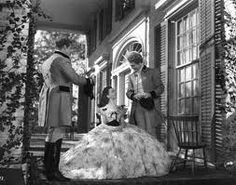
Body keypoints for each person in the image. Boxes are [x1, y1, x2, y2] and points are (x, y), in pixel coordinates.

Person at [59, 86, 170, 180]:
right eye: (112, 91)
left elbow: (122, 123)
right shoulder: (103, 109)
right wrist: (113, 129)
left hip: (121, 129)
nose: (115, 92)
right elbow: (103, 124)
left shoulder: (118, 108)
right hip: (107, 130)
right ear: (107, 96)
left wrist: (121, 123)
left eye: (114, 91)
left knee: (139, 140)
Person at [38, 37, 93, 181]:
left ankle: (48, 169)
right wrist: (88, 81)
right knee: (58, 131)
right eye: (69, 48)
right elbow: (74, 78)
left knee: (52, 132)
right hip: (60, 98)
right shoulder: (61, 60)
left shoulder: (47, 61)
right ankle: (53, 172)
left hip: (50, 97)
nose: (70, 51)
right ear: (65, 46)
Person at [126, 51, 164, 138]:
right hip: (138, 105)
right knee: (140, 132)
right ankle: (144, 151)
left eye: (133, 65)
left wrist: (150, 94)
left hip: (150, 105)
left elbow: (161, 88)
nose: (131, 67)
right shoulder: (131, 76)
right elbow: (128, 92)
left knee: (151, 132)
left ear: (140, 63)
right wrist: (133, 95)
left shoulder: (152, 72)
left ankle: (153, 151)